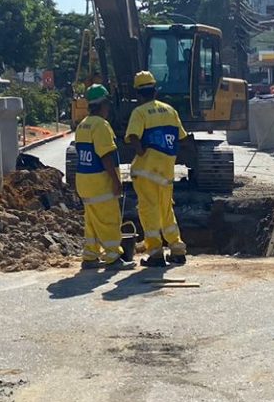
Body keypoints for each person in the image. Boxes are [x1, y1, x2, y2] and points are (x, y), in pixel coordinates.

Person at [124, 70, 189, 268]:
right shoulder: (170, 110)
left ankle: (156, 253)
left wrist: (140, 150)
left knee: (148, 211)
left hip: (146, 172)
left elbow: (134, 136)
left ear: (138, 93)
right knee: (166, 210)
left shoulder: (140, 112)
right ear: (155, 91)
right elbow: (181, 137)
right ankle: (177, 250)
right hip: (166, 171)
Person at [75, 85, 133, 270]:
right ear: (103, 105)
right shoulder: (101, 126)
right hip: (100, 182)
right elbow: (106, 155)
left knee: (92, 221)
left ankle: (90, 256)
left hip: (84, 181)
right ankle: (113, 257)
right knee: (109, 220)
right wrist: (116, 181)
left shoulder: (82, 124)